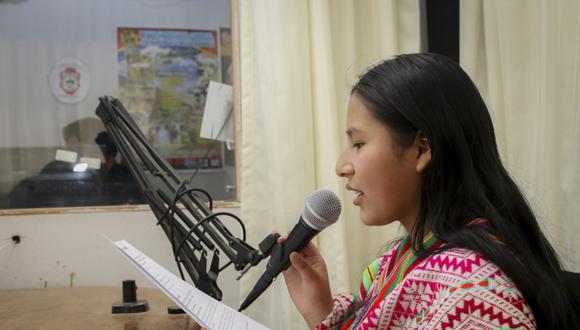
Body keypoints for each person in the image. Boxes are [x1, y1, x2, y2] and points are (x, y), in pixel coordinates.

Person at [280, 53, 578, 329]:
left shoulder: (473, 297)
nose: (342, 166)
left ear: (422, 149)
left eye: (358, 144)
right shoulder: (400, 262)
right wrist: (320, 311)